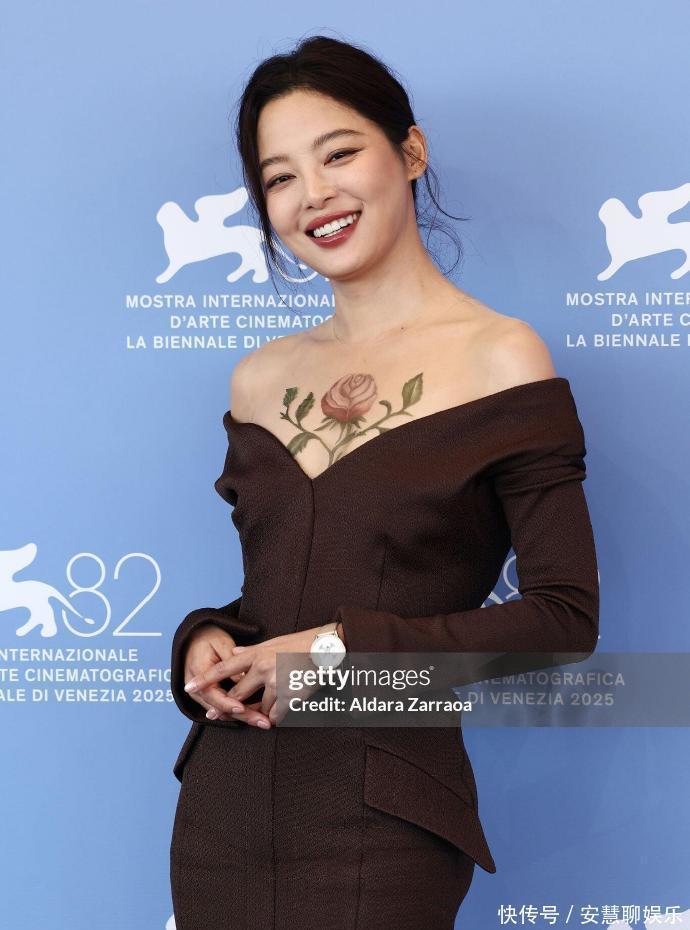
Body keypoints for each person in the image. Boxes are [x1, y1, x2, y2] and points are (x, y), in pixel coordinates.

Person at [169, 34, 599, 930]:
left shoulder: (499, 358)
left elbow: (563, 619)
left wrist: (337, 654)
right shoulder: (258, 378)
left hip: (384, 813)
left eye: (338, 154)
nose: (312, 195)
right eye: (279, 177)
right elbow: (286, 591)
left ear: (410, 151)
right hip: (225, 807)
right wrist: (209, 638)